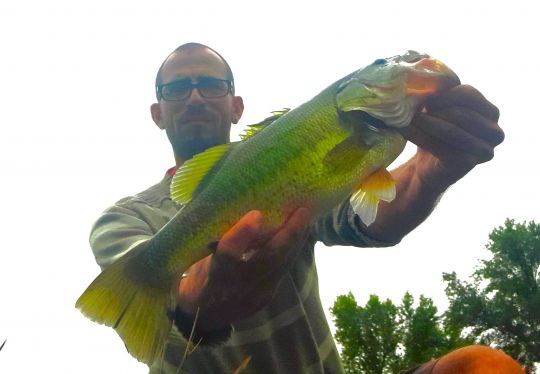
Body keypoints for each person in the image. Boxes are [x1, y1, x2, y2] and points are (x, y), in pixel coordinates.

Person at [89, 43, 505, 373]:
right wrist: (199, 297)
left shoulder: (300, 160)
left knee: (483, 366)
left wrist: (431, 169)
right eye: (178, 89)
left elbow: (367, 216)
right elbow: (176, 305)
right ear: (157, 113)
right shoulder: (124, 219)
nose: (195, 97)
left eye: (211, 85)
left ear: (236, 106)